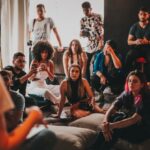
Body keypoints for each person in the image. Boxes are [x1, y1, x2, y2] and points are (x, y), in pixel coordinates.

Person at [92, 70, 150, 150]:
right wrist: (105, 123)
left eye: (135, 81)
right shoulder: (127, 93)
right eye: (129, 81)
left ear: (142, 85)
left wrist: (111, 126)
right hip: (131, 125)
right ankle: (94, 147)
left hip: (143, 129)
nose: (131, 84)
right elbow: (113, 107)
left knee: (117, 125)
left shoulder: (146, 98)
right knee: (116, 117)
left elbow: (134, 119)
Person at [0, 76, 56, 150]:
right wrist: (34, 115)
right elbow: (5, 146)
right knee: (48, 135)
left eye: (6, 79)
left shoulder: (17, 97)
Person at [80, 1, 104, 83]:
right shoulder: (82, 20)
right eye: (83, 10)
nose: (85, 12)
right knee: (86, 62)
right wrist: (82, 34)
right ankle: (88, 82)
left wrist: (101, 41)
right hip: (89, 45)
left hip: (99, 43)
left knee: (96, 63)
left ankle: (96, 82)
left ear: (90, 9)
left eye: (87, 10)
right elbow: (84, 33)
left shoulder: (98, 16)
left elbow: (103, 29)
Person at [126, 7, 150, 81]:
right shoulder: (135, 26)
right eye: (141, 14)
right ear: (138, 15)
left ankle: (147, 82)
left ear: (148, 15)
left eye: (145, 14)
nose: (142, 16)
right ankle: (129, 79)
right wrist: (135, 41)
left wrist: (148, 42)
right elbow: (128, 41)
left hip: (148, 48)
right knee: (128, 56)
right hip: (137, 48)